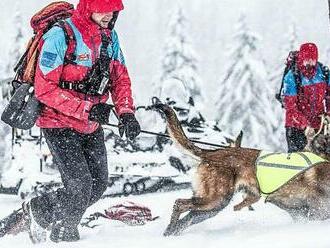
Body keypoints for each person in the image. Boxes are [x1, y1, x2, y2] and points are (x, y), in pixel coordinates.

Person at [22, 0, 141, 243]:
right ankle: (62, 231)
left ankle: (46, 217)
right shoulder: (60, 36)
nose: (109, 15)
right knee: (79, 186)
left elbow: (120, 79)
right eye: (104, 9)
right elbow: (45, 90)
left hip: (90, 124)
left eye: (113, 10)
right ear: (88, 8)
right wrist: (87, 109)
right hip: (57, 123)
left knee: (97, 185)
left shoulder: (110, 37)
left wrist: (126, 112)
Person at [283, 42, 330, 152]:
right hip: (296, 126)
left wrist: (328, 114)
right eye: (307, 59)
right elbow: (291, 107)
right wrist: (305, 124)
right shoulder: (292, 77)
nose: (310, 62)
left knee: (321, 161)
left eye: (312, 59)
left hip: (319, 125)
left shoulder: (323, 73)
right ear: (302, 57)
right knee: (298, 160)